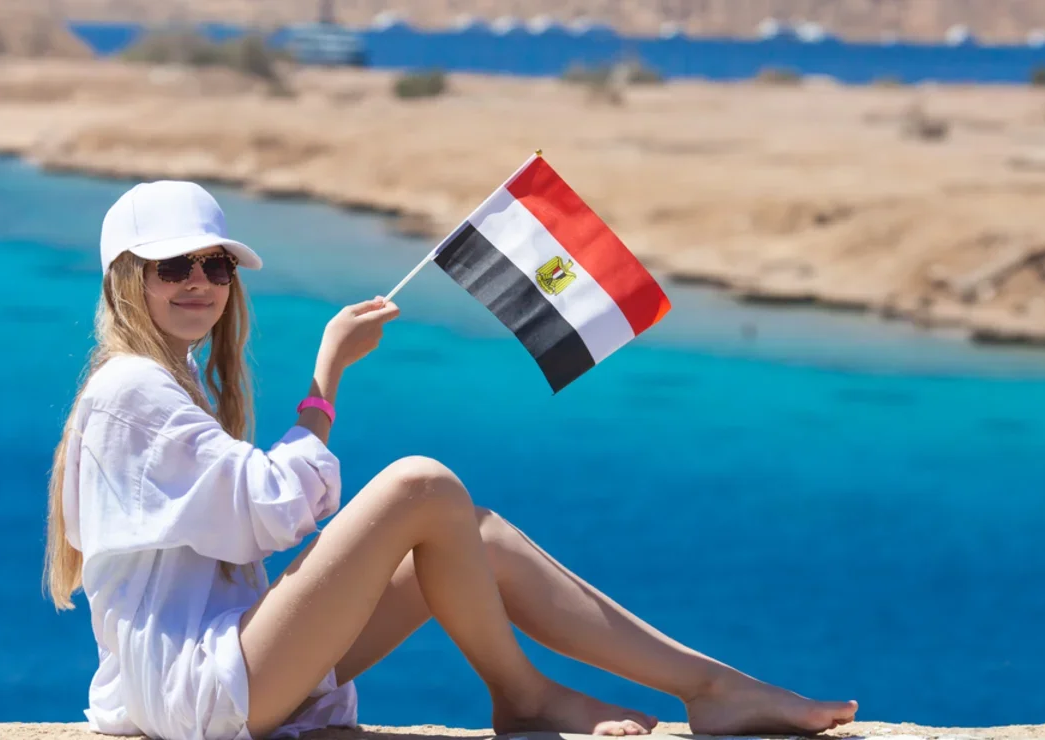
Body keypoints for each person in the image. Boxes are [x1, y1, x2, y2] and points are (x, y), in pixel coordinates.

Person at [44, 180, 858, 740]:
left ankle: (710, 687)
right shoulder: (132, 388)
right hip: (203, 688)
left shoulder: (166, 380)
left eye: (215, 265)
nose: (200, 282)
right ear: (126, 282)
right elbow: (269, 513)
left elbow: (243, 523)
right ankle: (524, 696)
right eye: (174, 267)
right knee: (420, 484)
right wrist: (326, 378)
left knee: (472, 533)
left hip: (221, 668)